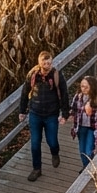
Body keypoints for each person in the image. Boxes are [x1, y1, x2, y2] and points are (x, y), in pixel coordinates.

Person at [17, 50, 70, 182]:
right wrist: (22, 111)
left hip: (51, 114)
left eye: (48, 62)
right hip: (35, 113)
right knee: (35, 143)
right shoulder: (33, 75)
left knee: (52, 141)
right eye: (44, 62)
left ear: (51, 61)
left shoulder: (57, 75)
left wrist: (65, 114)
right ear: (39, 62)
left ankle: (55, 152)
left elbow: (64, 94)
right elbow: (25, 92)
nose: (46, 64)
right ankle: (37, 169)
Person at [69, 76, 97, 168]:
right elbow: (73, 109)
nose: (84, 89)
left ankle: (88, 168)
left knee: (89, 151)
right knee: (82, 150)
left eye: (86, 87)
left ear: (92, 87)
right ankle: (86, 167)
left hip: (92, 128)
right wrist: (69, 116)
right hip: (80, 127)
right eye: (82, 86)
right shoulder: (78, 97)